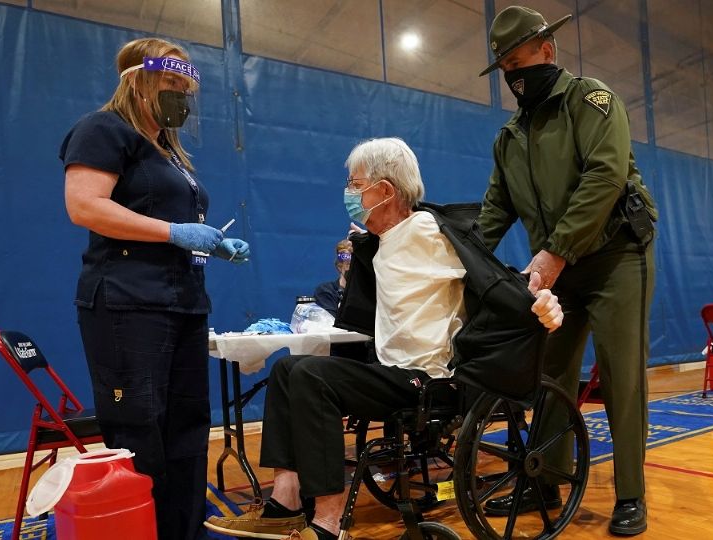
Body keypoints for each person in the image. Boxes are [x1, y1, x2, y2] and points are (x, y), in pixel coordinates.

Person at [204, 137, 563, 540]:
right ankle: (285, 502)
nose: (349, 193)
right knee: (288, 368)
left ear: (386, 190)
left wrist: (538, 300)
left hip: (429, 380)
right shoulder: (379, 244)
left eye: (356, 185)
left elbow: (489, 274)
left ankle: (327, 521)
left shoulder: (427, 229)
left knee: (311, 377)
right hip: (390, 372)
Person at [475, 6, 658, 536]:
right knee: (550, 374)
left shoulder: (593, 101)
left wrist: (555, 251)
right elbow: (493, 212)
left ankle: (631, 495)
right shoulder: (510, 138)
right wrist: (454, 258)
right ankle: (544, 479)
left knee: (621, 374)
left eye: (519, 61)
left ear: (547, 51)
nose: (514, 76)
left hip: (615, 255)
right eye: (505, 67)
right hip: (558, 267)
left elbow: (605, 178)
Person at [60, 37, 250, 540]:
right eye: (170, 84)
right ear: (137, 81)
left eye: (186, 86)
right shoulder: (103, 130)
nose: (181, 96)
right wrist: (172, 232)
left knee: (188, 427)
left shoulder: (169, 154)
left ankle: (185, 530)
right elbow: (84, 206)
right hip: (128, 303)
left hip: (183, 302)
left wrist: (211, 242)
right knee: (139, 426)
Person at [312, 238, 352, 317]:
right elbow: (330, 325)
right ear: (339, 267)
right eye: (349, 264)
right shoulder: (326, 292)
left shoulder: (372, 293)